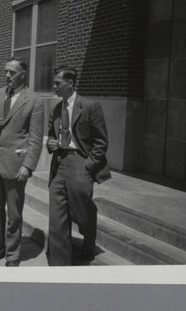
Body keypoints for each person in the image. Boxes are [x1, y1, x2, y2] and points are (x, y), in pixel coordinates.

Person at [0, 57, 44, 267]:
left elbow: (34, 138)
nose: (7, 76)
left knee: (14, 213)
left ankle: (13, 255)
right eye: (5, 72)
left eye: (12, 72)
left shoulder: (34, 100)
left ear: (22, 74)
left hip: (16, 164)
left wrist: (28, 165)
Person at [46, 65, 111, 266]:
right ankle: (59, 264)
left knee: (82, 211)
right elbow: (52, 134)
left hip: (80, 162)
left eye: (58, 83)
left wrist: (88, 166)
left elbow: (101, 141)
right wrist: (50, 143)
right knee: (57, 215)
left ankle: (88, 237)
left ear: (70, 83)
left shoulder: (90, 106)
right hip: (59, 162)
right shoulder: (56, 108)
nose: (54, 87)